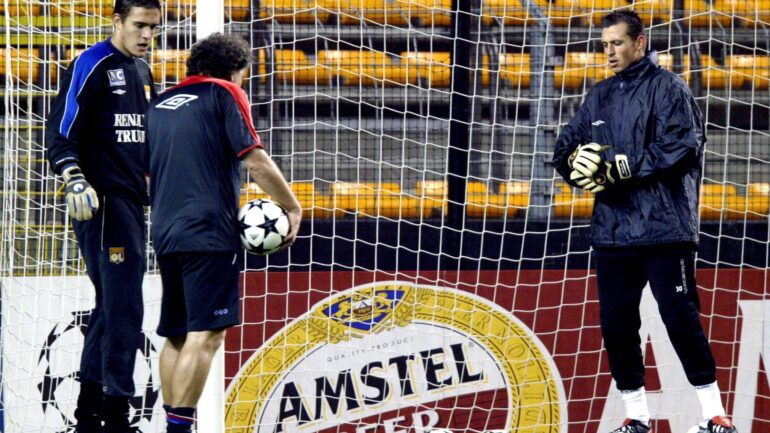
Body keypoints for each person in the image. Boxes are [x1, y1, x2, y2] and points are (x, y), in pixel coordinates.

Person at [552, 10, 737, 433]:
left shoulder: (670, 88)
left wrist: (624, 166)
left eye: (617, 43)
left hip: (665, 227)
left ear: (640, 42)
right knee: (617, 324)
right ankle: (637, 418)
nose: (609, 52)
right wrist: (574, 164)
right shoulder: (597, 96)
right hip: (614, 230)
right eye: (604, 44)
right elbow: (565, 149)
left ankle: (714, 415)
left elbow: (684, 147)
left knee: (679, 315)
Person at [145, 33, 302, 433]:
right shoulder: (225, 92)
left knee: (177, 334)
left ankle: (172, 425)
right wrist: (291, 206)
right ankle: (179, 429)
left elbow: (148, 169)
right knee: (207, 335)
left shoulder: (161, 103)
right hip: (209, 231)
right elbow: (254, 159)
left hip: (165, 229)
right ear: (234, 70)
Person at [45, 1, 161, 432]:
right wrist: (74, 177)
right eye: (139, 25)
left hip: (133, 204)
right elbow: (59, 133)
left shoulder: (144, 74)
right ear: (117, 22)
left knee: (110, 307)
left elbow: (145, 145)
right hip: (103, 204)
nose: (147, 35)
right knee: (125, 306)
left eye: (153, 27)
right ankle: (116, 414)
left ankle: (89, 413)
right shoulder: (91, 64)